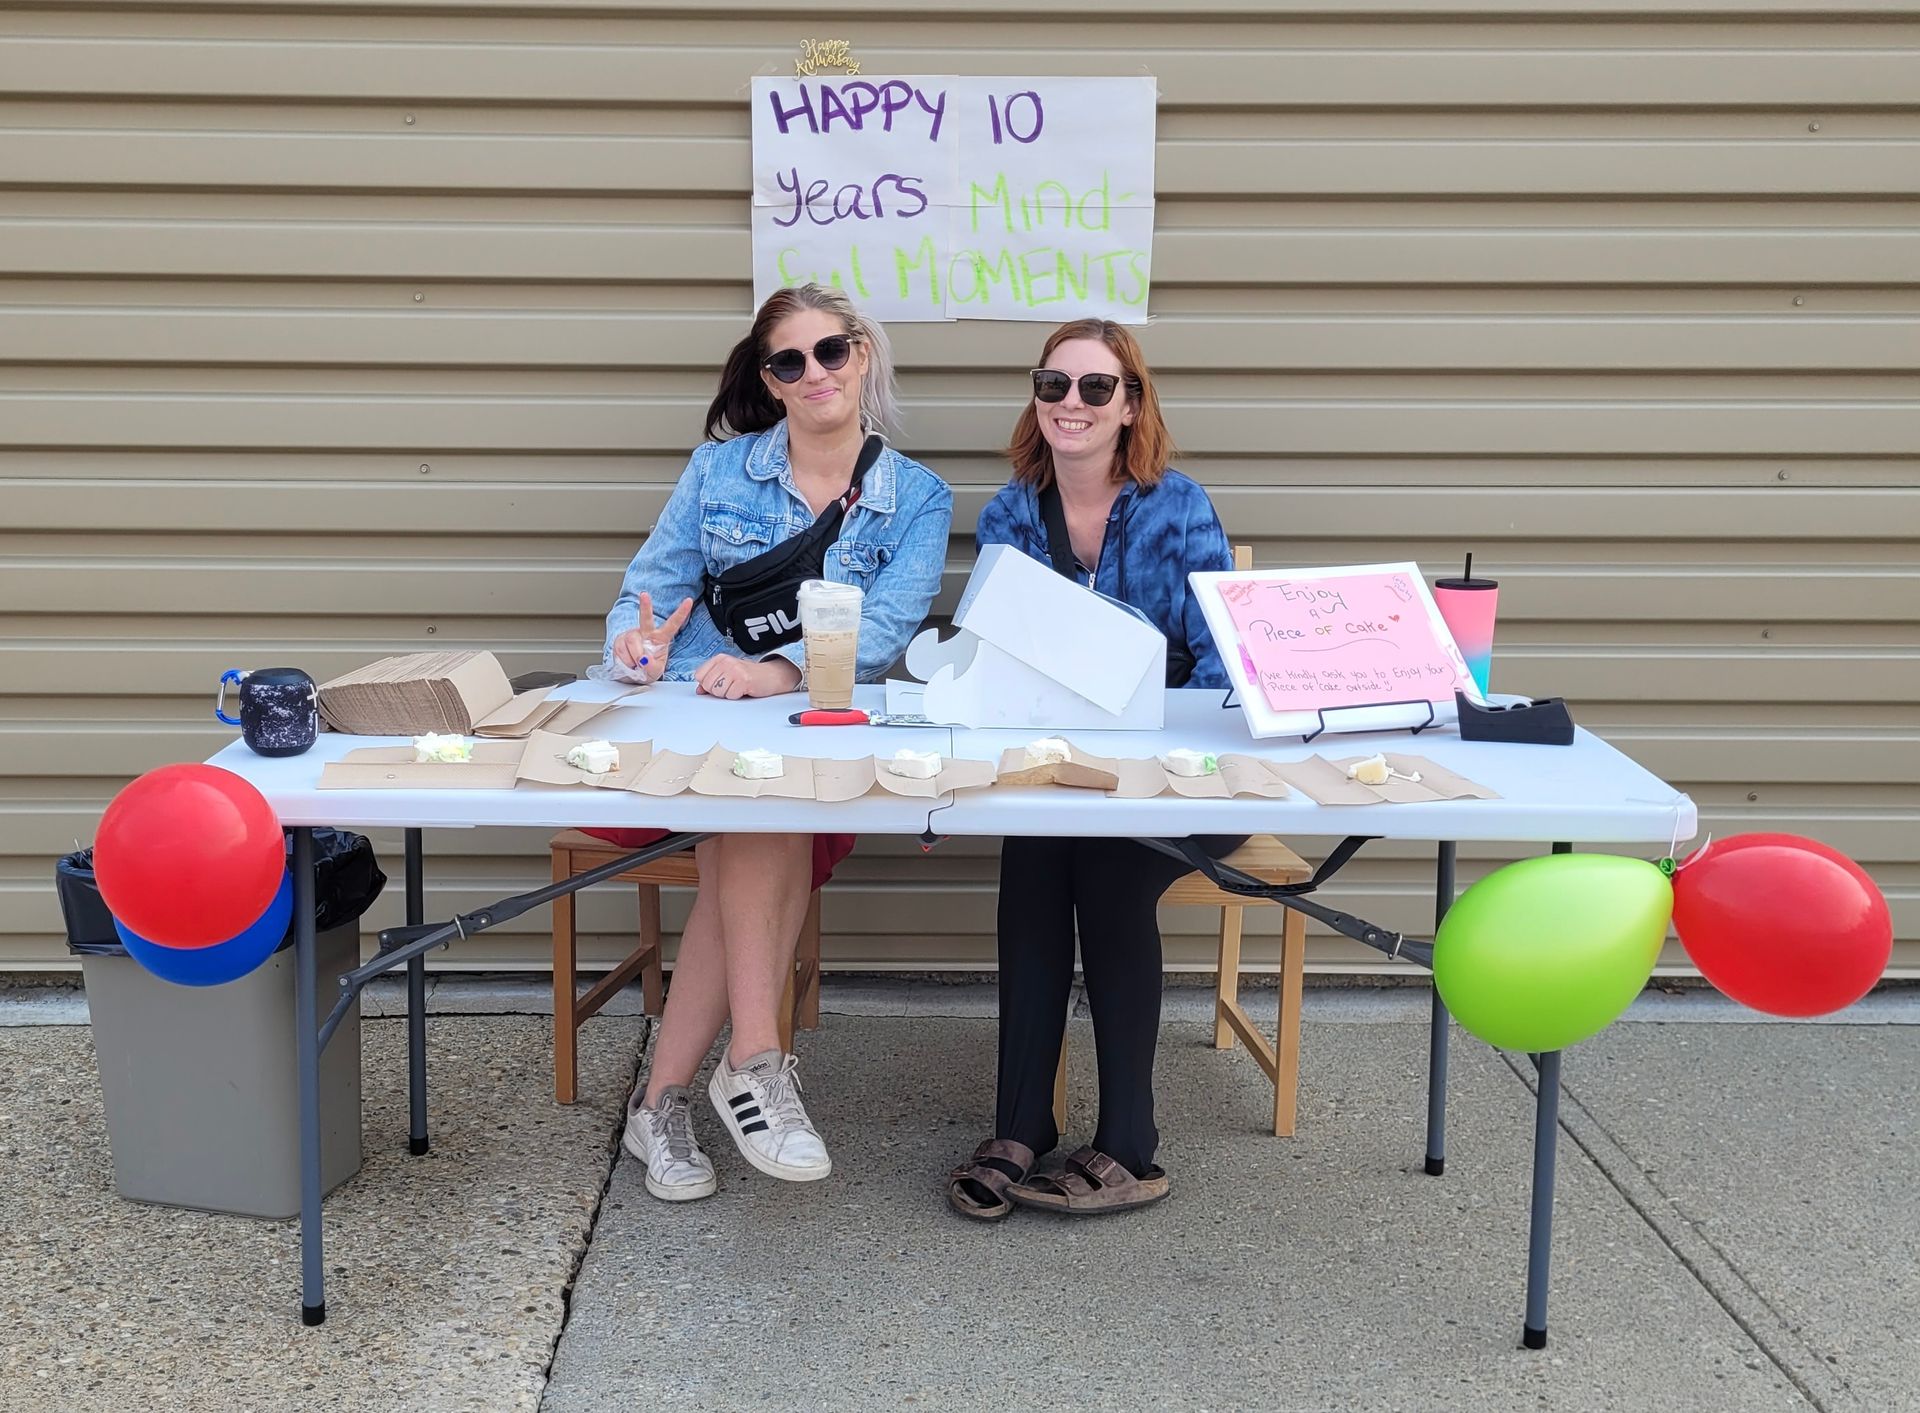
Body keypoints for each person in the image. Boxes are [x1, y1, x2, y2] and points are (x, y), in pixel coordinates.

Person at [598, 283, 952, 1203]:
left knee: (760, 823)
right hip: (695, 735)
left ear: (861, 355)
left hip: (815, 730)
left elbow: (889, 629)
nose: (814, 373)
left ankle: (661, 1103)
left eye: (830, 351)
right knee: (758, 817)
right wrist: (635, 648)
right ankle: (754, 1061)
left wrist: (779, 671)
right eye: (789, 361)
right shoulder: (719, 472)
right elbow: (650, 591)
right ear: (771, 379)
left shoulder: (915, 496)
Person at [947, 318, 1244, 1219]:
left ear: (1130, 405)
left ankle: (1130, 1145)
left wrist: (1149, 720)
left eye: (1094, 387)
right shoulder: (1010, 512)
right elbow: (994, 661)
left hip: (1186, 778)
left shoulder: (1178, 505)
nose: (1070, 404)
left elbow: (1227, 662)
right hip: (1064, 777)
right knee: (1032, 864)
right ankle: (1021, 1123)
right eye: (1053, 386)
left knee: (1111, 879)